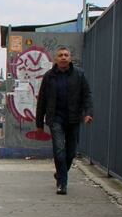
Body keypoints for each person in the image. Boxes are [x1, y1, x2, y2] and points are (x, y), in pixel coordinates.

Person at [35, 46, 93, 195]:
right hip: (56, 119)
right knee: (59, 150)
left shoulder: (79, 75)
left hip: (73, 118)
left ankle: (60, 173)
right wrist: (39, 124)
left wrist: (88, 113)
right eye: (60, 55)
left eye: (66, 55)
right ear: (56, 59)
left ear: (70, 58)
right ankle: (62, 183)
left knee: (71, 152)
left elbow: (87, 95)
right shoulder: (49, 76)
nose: (63, 57)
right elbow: (42, 100)